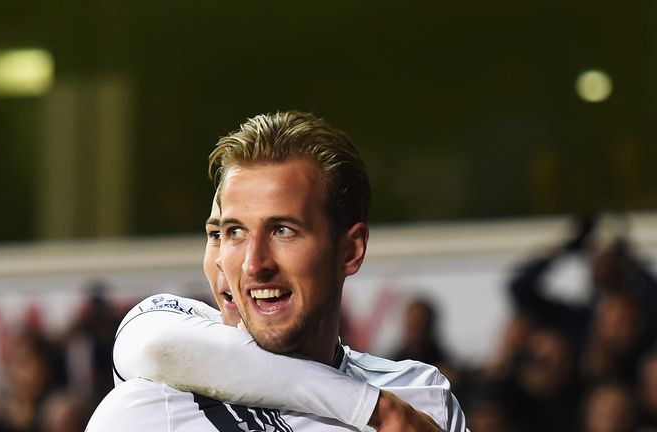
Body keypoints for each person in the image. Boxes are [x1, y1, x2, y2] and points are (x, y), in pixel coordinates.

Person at [88, 111, 468, 431]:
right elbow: (149, 338)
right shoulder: (147, 411)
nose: (254, 264)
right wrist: (374, 409)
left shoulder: (421, 397)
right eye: (231, 232)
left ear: (351, 250)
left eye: (283, 230)